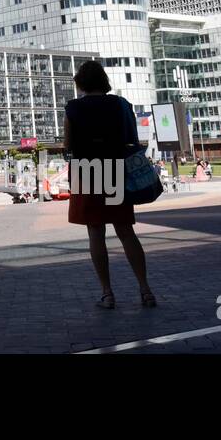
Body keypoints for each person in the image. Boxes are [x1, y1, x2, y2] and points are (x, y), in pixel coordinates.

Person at [63, 60, 155, 309]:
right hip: (115, 170)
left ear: (80, 83)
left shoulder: (73, 108)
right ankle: (145, 290)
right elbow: (132, 139)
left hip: (86, 171)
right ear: (104, 81)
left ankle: (107, 293)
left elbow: (68, 145)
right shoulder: (121, 104)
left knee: (96, 232)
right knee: (126, 231)